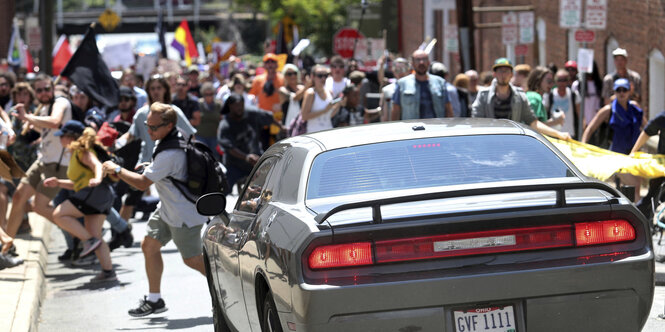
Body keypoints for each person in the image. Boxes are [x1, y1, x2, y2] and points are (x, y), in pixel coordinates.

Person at [102, 103, 207, 316]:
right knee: (149, 245)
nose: (148, 131)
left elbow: (142, 184)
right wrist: (150, 166)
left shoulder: (170, 152)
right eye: (146, 126)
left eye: (153, 127)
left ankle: (227, 284)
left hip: (183, 214)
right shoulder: (167, 141)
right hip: (168, 208)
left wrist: (117, 169)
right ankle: (154, 300)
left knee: (192, 260)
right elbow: (162, 170)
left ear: (168, 126)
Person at [44, 121, 118, 282]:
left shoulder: (82, 151)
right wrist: (58, 182)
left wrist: (98, 178)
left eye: (62, 135)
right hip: (98, 195)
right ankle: (108, 272)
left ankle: (88, 241)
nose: (60, 139)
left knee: (58, 214)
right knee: (96, 235)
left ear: (71, 137)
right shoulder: (74, 154)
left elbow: (97, 165)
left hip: (95, 193)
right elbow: (77, 184)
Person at [3, 74, 72, 243]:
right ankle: (7, 246)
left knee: (39, 206)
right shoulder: (41, 109)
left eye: (47, 89)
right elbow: (45, 132)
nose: (44, 93)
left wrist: (28, 117)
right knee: (18, 197)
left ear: (53, 88)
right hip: (43, 161)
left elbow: (55, 122)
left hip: (59, 164)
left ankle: (80, 237)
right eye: (39, 90)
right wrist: (29, 124)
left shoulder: (61, 102)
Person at [472, 58, 571, 141]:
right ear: (494, 74)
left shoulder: (519, 96)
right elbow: (477, 123)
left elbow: (533, 123)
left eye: (506, 71)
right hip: (490, 144)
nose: (503, 74)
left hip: (513, 145)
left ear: (511, 74)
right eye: (499, 71)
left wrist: (558, 134)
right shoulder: (483, 95)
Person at [582, 78, 645, 201]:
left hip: (633, 154)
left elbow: (647, 128)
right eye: (618, 90)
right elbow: (590, 128)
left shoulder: (635, 108)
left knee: (635, 189)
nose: (622, 93)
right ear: (614, 92)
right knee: (634, 184)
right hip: (615, 155)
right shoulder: (608, 109)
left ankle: (630, 211)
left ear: (629, 92)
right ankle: (639, 214)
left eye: (624, 90)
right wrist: (583, 146)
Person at [218, 94, 283, 192]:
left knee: (273, 183)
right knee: (223, 189)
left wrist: (282, 127)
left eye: (241, 105)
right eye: (236, 105)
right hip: (234, 164)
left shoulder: (252, 113)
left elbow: (268, 118)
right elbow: (229, 148)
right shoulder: (225, 125)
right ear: (230, 107)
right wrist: (246, 157)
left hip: (255, 162)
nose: (239, 108)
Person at [391, 50, 454, 120]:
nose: (421, 62)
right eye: (418, 60)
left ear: (428, 62)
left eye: (424, 59)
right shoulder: (402, 84)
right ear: (412, 64)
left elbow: (448, 109)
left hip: (436, 129)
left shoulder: (440, 82)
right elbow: (396, 111)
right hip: (411, 129)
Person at [631, 110, 665, 220]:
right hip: (662, 168)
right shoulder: (662, 117)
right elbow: (647, 132)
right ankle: (636, 219)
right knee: (651, 198)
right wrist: (633, 152)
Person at [301, 65, 342, 133]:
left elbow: (330, 115)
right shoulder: (310, 93)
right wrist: (324, 110)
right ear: (312, 77)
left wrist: (339, 104)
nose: (323, 78)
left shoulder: (329, 92)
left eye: (325, 75)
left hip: (328, 131)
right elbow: (304, 116)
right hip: (314, 134)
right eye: (320, 75)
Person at [543, 69, 581, 138]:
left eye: (564, 80)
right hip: (553, 134)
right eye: (559, 80)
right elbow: (544, 116)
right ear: (555, 81)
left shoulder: (574, 95)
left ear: (568, 81)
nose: (562, 83)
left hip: (569, 134)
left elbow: (580, 115)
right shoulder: (549, 95)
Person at [196, 82, 223, 159]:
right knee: (201, 156)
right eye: (206, 94)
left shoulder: (218, 104)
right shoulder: (198, 104)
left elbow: (222, 119)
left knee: (215, 156)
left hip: (214, 136)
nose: (208, 96)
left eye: (210, 94)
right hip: (200, 135)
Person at [379, 57, 410, 122]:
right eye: (397, 70)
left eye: (403, 69)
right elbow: (385, 116)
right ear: (393, 71)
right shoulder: (387, 90)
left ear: (408, 70)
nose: (400, 73)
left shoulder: (415, 87)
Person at [278, 64, 307, 128]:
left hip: (302, 125)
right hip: (288, 126)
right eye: (289, 74)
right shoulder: (282, 90)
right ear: (284, 76)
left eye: (295, 73)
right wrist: (307, 87)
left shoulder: (302, 88)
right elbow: (294, 98)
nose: (293, 76)